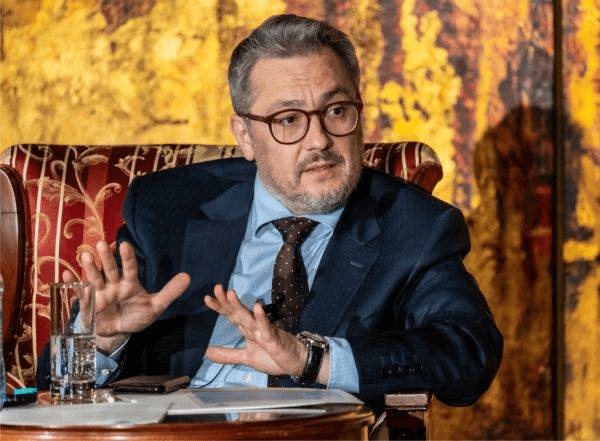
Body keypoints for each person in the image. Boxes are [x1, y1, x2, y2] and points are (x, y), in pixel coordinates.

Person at [38, 13, 502, 410]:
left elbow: (469, 353)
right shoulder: (168, 208)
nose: (319, 140)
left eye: (336, 111)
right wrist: (101, 341)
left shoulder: (416, 226)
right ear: (245, 136)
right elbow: (48, 387)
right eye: (288, 120)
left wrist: (312, 360)